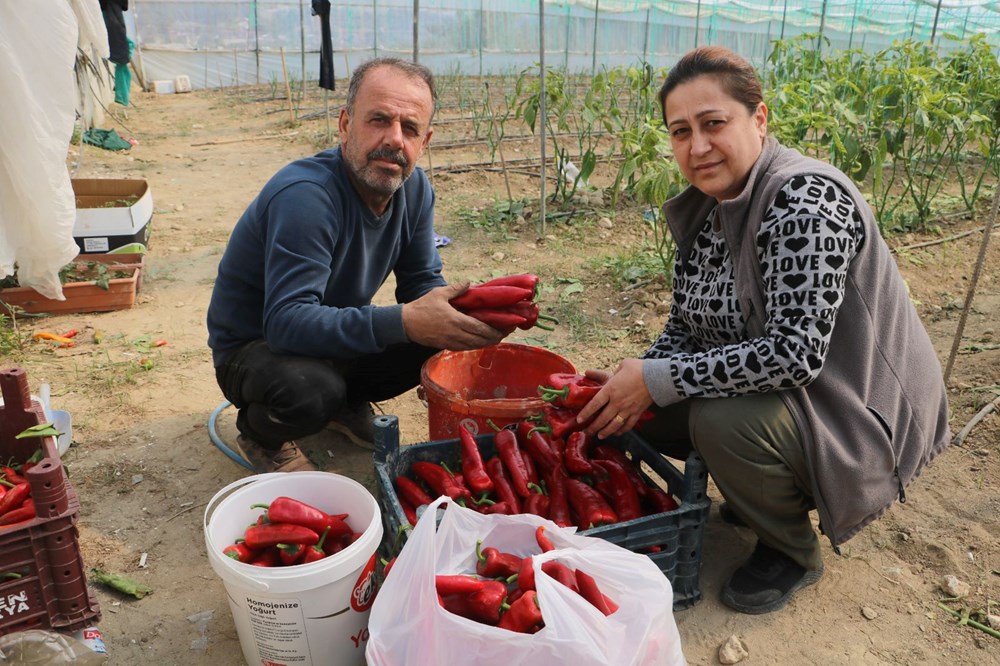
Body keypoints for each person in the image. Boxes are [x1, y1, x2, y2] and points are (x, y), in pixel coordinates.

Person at [577, 46, 950, 615]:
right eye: (680, 132)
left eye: (713, 123)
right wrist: (643, 376)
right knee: (638, 407)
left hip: (855, 416)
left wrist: (659, 378)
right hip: (797, 400)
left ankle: (792, 551)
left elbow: (796, 354)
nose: (697, 146)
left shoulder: (805, 201)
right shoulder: (712, 206)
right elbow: (686, 326)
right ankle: (763, 493)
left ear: (759, 118)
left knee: (720, 421)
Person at [207, 58, 504, 474]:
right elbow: (285, 322)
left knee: (434, 328)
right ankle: (262, 432)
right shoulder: (306, 196)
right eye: (378, 120)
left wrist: (458, 322)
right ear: (346, 125)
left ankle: (343, 405)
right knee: (312, 389)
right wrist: (404, 322)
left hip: (322, 336)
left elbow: (420, 281)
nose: (394, 140)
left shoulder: (414, 190)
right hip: (255, 349)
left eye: (410, 128)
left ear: (425, 141)